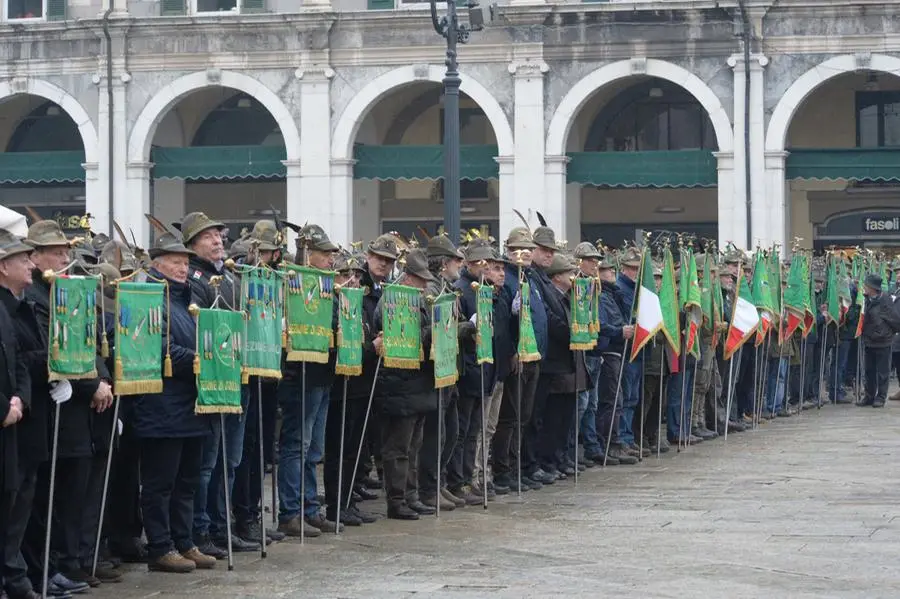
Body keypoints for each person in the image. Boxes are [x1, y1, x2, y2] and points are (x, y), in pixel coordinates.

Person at [22, 221, 117, 590]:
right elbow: (54, 347)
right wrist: (92, 384)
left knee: (78, 488)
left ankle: (69, 560)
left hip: (83, 405)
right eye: (56, 252)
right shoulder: (36, 297)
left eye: (65, 251)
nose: (65, 258)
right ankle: (51, 564)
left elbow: (94, 341)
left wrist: (104, 378)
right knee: (54, 493)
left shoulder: (71, 291)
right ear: (35, 257)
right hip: (58, 405)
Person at [132, 232, 219, 573]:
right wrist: (202, 359)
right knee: (160, 483)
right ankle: (161, 546)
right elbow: (158, 346)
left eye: (185, 262)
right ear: (157, 264)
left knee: (187, 481)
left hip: (190, 404)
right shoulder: (150, 298)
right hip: (161, 406)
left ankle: (184, 541)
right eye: (175, 262)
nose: (183, 268)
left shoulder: (185, 299)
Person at [180, 212, 258, 557]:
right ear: (193, 243)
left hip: (236, 373)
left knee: (231, 460)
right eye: (210, 236)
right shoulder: (195, 279)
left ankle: (223, 525)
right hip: (212, 377)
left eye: (219, 235)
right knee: (208, 462)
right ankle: (203, 528)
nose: (218, 241)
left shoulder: (229, 276)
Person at [276, 224, 341, 537]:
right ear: (308, 254)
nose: (330, 259)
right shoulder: (295, 284)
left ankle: (309, 507)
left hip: (323, 372)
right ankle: (291, 511)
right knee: (297, 445)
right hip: (300, 373)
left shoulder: (325, 284)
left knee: (314, 448)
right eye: (324, 253)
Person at [231, 220, 286, 545]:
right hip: (246, 371)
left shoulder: (275, 279)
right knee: (245, 450)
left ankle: (252, 513)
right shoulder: (242, 277)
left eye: (273, 253)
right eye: (264, 252)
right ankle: (244, 516)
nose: (271, 258)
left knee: (260, 450)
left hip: (269, 372)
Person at [374, 248, 438, 520]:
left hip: (416, 383)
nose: (425, 284)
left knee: (413, 445)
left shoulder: (419, 299)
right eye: (421, 279)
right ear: (408, 277)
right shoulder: (395, 299)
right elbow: (405, 336)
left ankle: (410, 496)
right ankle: (397, 499)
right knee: (399, 447)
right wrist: (437, 330)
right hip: (398, 383)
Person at [322, 250, 378, 526]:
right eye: (345, 274)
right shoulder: (334, 306)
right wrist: (372, 348)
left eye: (355, 275)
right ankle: (336, 504)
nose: (352, 280)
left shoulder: (356, 305)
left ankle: (348, 501)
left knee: (354, 448)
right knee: (338, 450)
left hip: (360, 385)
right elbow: (345, 347)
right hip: (340, 386)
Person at [860, 274, 898, 408]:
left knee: (883, 372)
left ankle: (881, 397)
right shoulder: (865, 300)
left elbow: (895, 321)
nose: (864, 287)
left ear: (872, 288)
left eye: (866, 285)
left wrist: (885, 333)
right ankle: (869, 396)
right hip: (869, 340)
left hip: (883, 341)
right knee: (869, 370)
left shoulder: (886, 300)